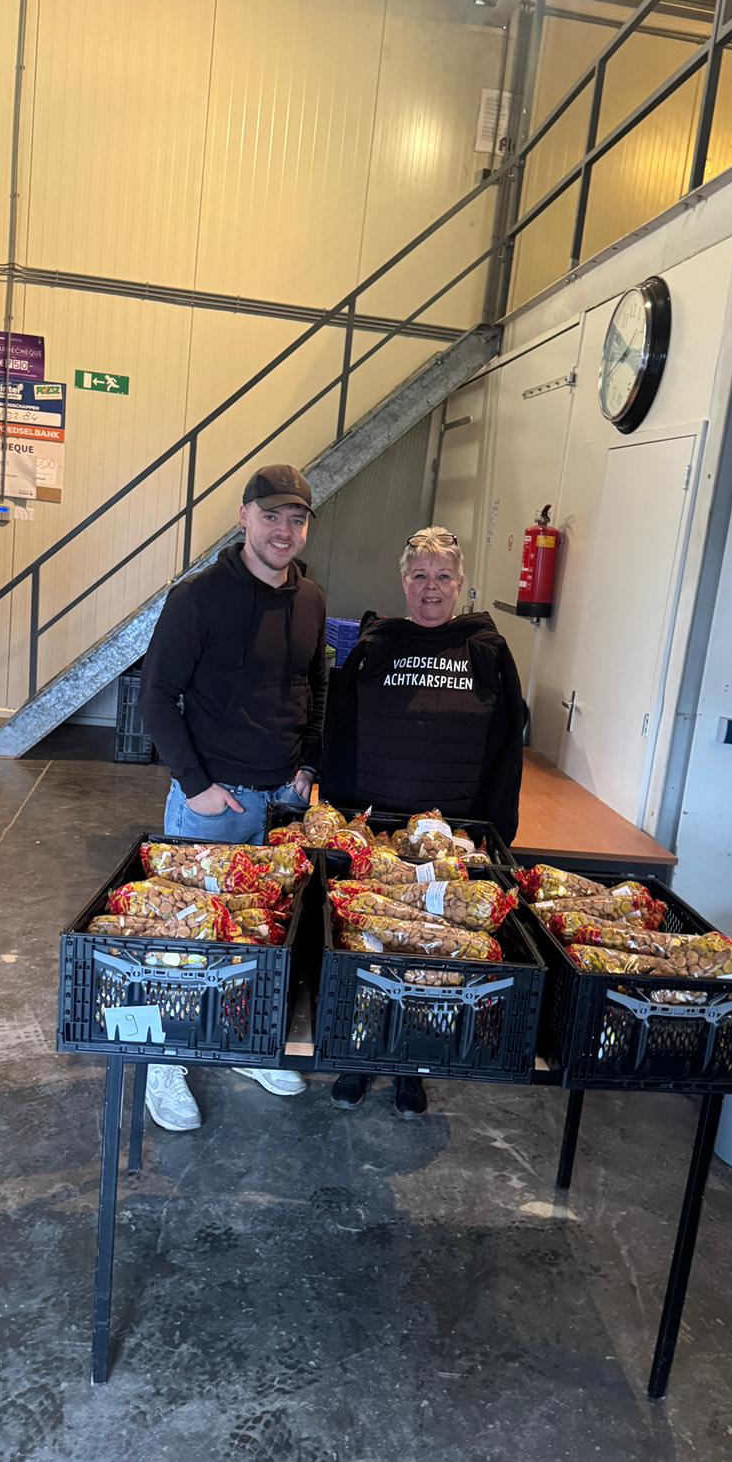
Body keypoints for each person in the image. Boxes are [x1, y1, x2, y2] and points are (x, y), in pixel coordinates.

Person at [138, 463, 327, 1132]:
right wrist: (198, 787)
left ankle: (244, 1047)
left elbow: (315, 689)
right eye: (271, 516)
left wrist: (307, 766)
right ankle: (164, 1064)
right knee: (187, 940)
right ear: (244, 516)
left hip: (282, 807)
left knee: (262, 938)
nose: (284, 530)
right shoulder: (198, 598)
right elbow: (156, 697)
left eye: (297, 519)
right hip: (213, 807)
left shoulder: (311, 600)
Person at [320, 525, 524, 1119]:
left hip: (449, 843)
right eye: (419, 576)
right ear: (403, 581)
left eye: (442, 577)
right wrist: (340, 819)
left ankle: (412, 1064)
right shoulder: (376, 646)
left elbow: (507, 744)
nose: (430, 588)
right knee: (371, 946)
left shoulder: (487, 654)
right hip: (378, 838)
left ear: (460, 583)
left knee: (433, 953)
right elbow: (341, 730)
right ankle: (360, 1056)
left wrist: (492, 829)